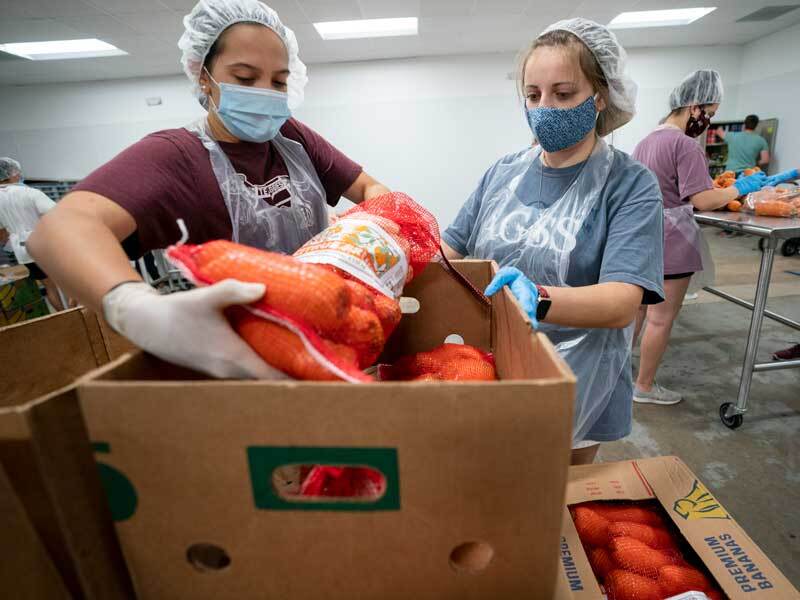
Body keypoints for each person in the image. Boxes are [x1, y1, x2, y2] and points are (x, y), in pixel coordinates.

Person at [28, 0, 390, 379]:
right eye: (246, 78)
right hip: (240, 359)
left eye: (279, 81)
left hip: (335, 336)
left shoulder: (291, 138)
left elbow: (370, 188)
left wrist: (362, 234)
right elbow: (59, 230)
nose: (266, 93)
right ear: (203, 76)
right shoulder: (177, 155)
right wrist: (136, 307)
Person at [442, 18, 665, 465]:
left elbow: (623, 301)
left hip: (581, 381)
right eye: (532, 95)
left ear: (600, 96)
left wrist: (538, 297)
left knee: (553, 510)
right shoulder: (503, 173)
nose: (544, 107)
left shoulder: (629, 183)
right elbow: (449, 250)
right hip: (496, 365)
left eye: (563, 94)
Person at [631, 71, 768, 405]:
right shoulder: (685, 145)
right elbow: (702, 199)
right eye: (710, 112)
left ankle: (618, 371)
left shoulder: (646, 141)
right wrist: (742, 187)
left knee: (636, 312)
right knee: (660, 319)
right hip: (673, 239)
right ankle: (644, 387)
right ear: (694, 107)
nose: (708, 121)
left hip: (641, 237)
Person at [0, 157, 64, 311]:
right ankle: (79, 314)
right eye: (18, 172)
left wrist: (11, 241)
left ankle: (65, 315)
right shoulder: (30, 193)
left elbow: (1, 233)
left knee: (48, 284)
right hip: (44, 243)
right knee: (64, 280)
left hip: (22, 249)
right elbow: (57, 215)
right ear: (13, 173)